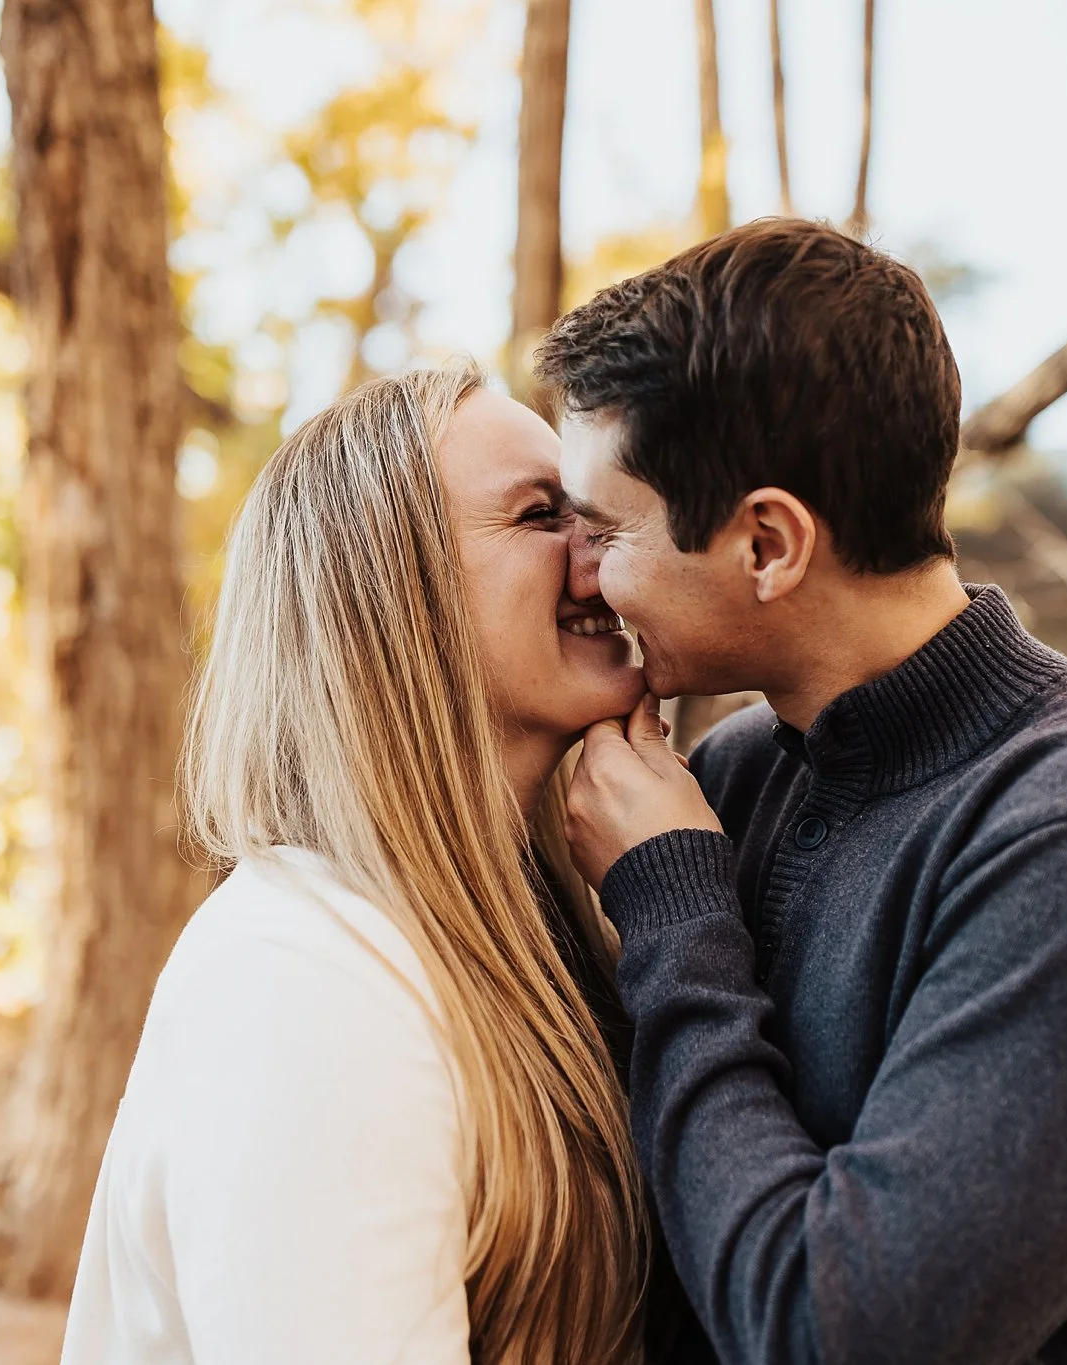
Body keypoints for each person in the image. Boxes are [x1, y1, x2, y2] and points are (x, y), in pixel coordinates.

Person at [540, 218, 1067, 1364]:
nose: (580, 572)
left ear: (767, 544)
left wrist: (672, 910)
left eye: (606, 530)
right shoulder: (733, 783)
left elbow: (833, 1334)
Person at [58, 364, 709, 1364]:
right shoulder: (298, 975)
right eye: (545, 514)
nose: (606, 546)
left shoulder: (549, 928)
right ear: (393, 593)